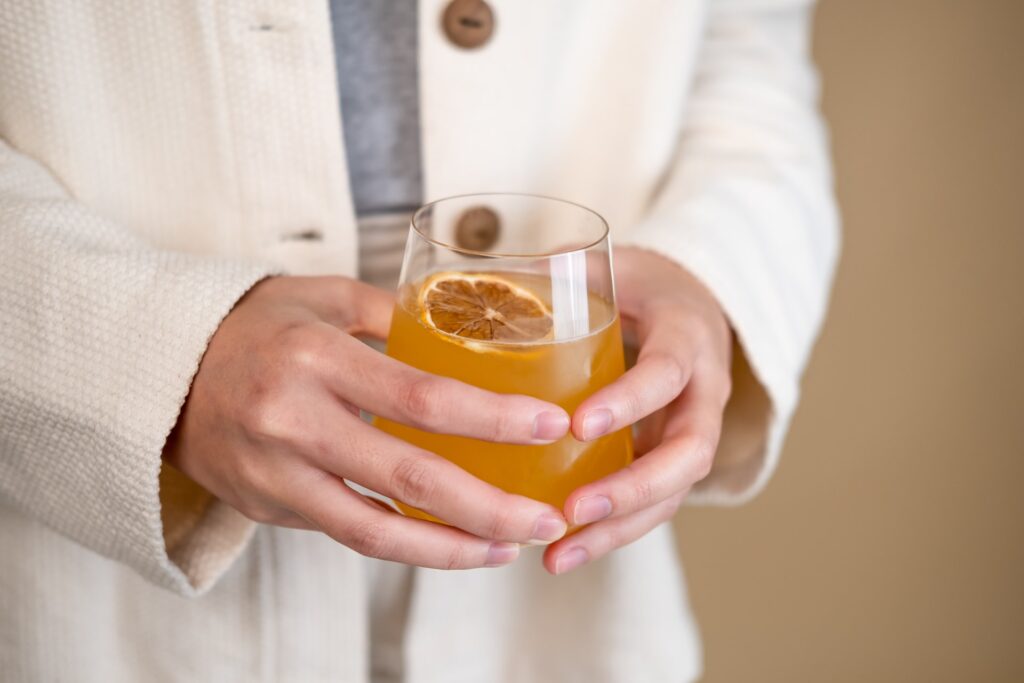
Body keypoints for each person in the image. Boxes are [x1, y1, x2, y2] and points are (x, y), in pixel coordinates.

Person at [0, 1, 838, 681]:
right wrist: (151, 352)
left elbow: (747, 54)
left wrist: (708, 272)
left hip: (563, 607)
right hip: (87, 601)